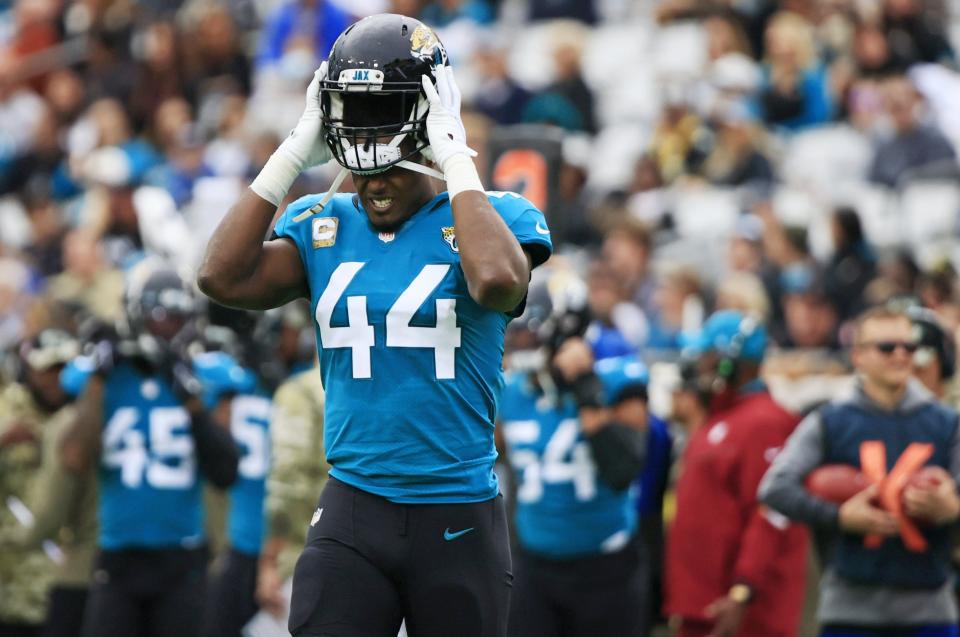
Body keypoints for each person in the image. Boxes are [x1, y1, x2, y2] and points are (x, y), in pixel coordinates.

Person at [197, 14, 552, 637]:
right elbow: (220, 277)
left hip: (456, 511)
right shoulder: (320, 222)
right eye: (361, 167)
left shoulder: (492, 218)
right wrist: (290, 153)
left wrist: (454, 153)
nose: (373, 180)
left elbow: (497, 282)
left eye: (390, 165)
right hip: (353, 505)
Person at [59, 261, 241, 637]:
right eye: (160, 319)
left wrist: (188, 395)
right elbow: (74, 459)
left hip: (182, 558)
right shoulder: (104, 377)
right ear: (137, 316)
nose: (167, 328)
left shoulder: (207, 375)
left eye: (175, 318)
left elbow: (226, 471)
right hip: (118, 556)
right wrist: (98, 376)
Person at [760, 305, 960, 637]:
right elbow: (775, 488)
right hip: (851, 604)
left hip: (929, 604)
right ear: (858, 356)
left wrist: (952, 506)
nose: (900, 355)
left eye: (908, 347)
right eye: (886, 347)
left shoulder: (947, 422)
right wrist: (838, 515)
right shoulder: (830, 420)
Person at [498, 272, 649, 637]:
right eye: (515, 330)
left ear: (564, 330)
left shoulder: (617, 383)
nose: (519, 340)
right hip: (534, 567)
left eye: (529, 330)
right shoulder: (509, 392)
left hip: (605, 568)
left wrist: (586, 391)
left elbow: (623, 468)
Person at [664, 310, 809, 637]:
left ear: (729, 362)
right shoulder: (723, 416)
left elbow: (770, 512)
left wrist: (744, 590)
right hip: (703, 602)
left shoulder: (766, 422)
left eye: (707, 355)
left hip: (743, 612)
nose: (699, 362)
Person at [0, 329, 97, 637]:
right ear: (28, 371)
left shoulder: (87, 416)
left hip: (74, 575)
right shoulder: (6, 411)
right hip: (13, 582)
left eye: (65, 369)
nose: (57, 379)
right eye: (48, 370)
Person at [256, 364, 328, 620]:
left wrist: (270, 561)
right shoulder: (387, 386)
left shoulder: (302, 391)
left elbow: (287, 480)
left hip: (309, 553)